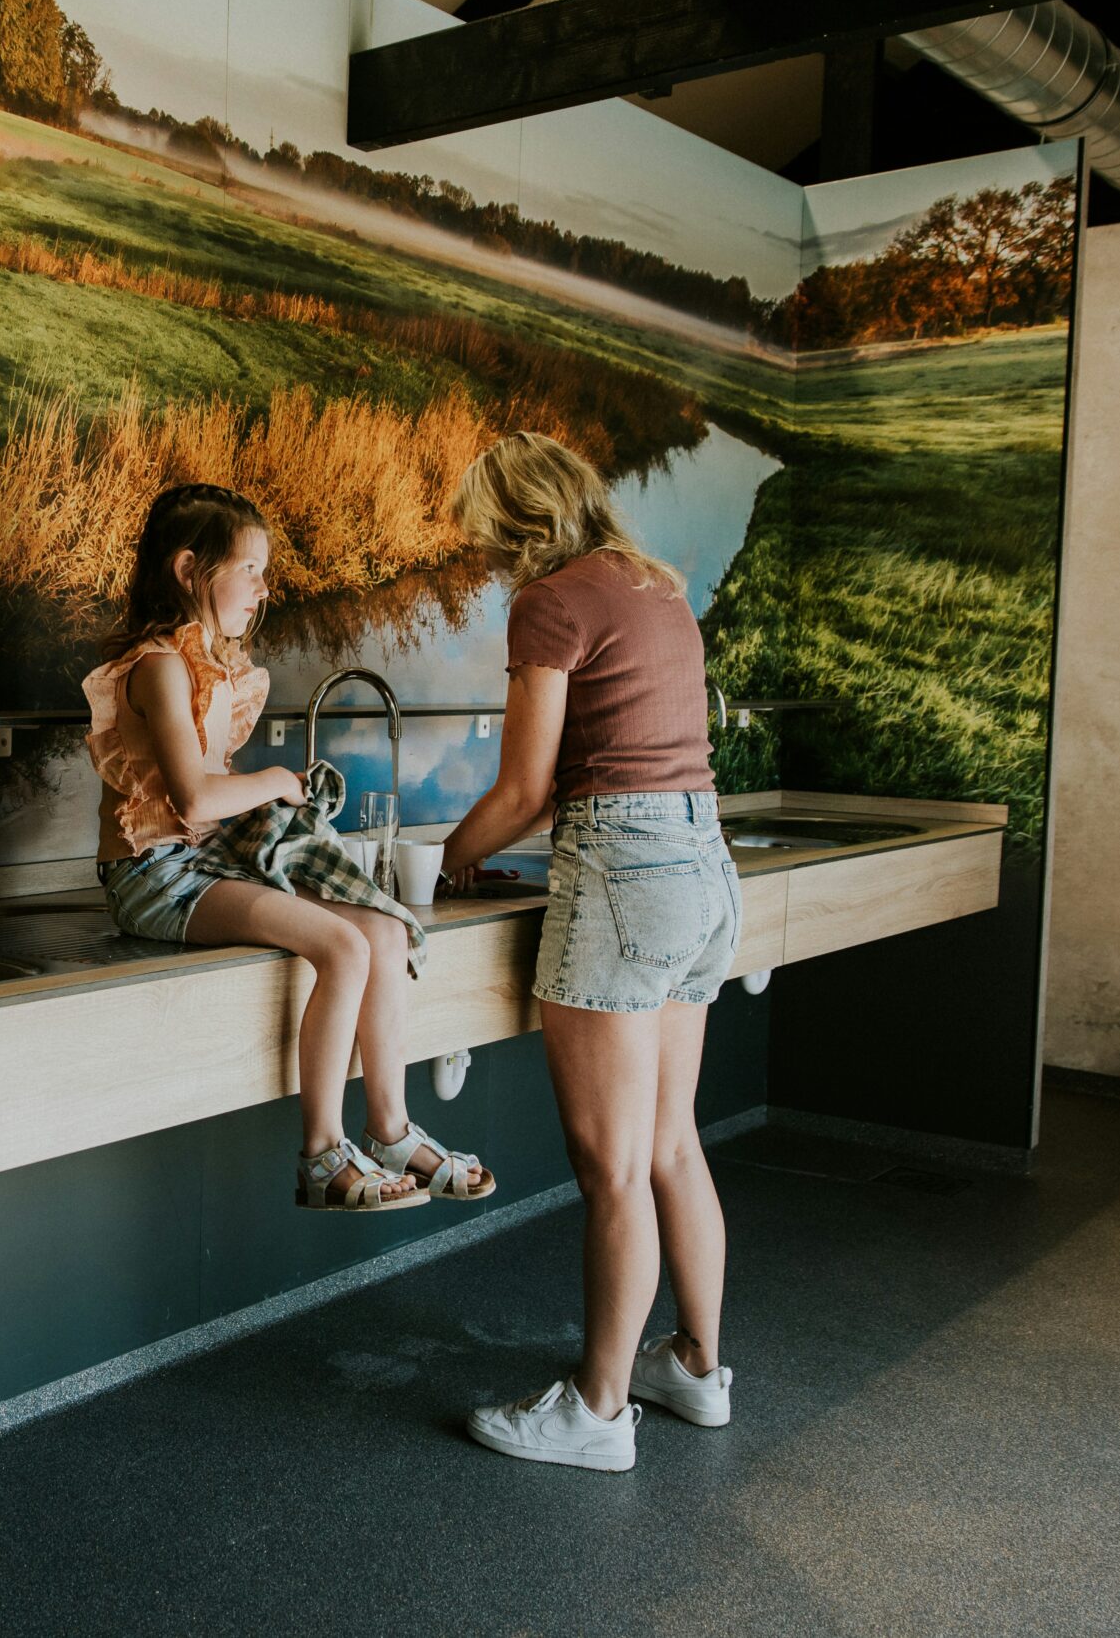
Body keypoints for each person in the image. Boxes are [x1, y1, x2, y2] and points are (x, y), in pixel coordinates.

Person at [438, 433, 740, 1472]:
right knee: (670, 1144)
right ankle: (694, 1367)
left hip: (624, 871)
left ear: (518, 521)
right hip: (703, 863)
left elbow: (526, 792)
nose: (487, 557)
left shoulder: (550, 600)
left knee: (610, 1166)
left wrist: (443, 862)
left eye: (487, 534)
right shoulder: (656, 586)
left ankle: (599, 1411)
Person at [83, 483, 495, 1214]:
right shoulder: (159, 666)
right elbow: (194, 800)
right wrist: (277, 780)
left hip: (202, 862)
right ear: (189, 569)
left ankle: (391, 1131)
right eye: (250, 569)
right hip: (154, 875)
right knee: (341, 945)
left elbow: (207, 799)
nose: (263, 588)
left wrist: (273, 801)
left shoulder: (203, 664)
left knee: (383, 930)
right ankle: (322, 1155)